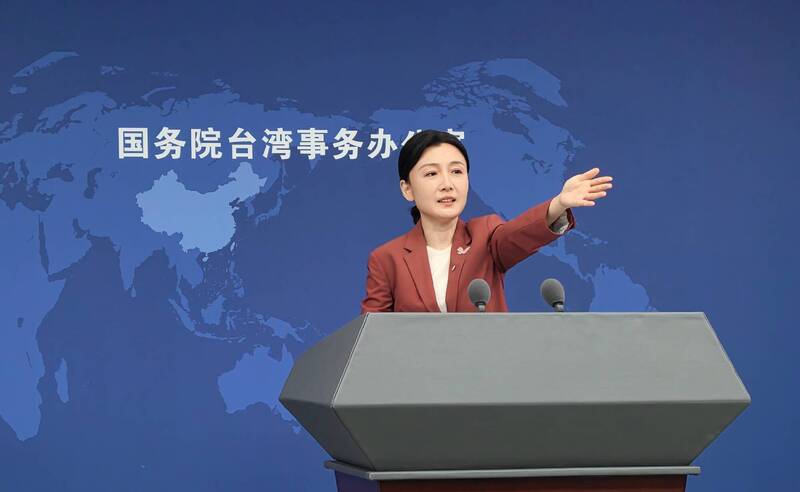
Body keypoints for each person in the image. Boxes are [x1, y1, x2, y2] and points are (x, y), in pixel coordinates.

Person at [360, 129, 613, 313]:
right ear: (407, 189)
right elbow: (369, 338)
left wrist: (558, 203)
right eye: (431, 173)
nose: (447, 184)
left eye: (456, 171)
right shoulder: (387, 259)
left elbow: (519, 235)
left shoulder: (486, 235)